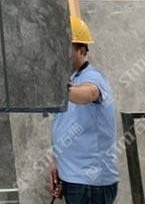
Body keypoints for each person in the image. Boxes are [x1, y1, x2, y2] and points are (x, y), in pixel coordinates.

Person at [49, 16, 119, 203]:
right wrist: (57, 161)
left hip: (90, 182)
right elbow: (63, 123)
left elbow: (88, 93)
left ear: (81, 51)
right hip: (73, 177)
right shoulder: (70, 78)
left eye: (65, 48)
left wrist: (65, 89)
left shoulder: (94, 77)